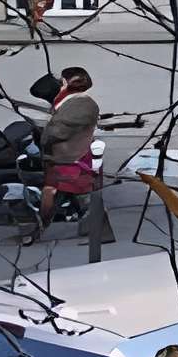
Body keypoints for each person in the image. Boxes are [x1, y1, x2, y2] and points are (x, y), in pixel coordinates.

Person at [39, 67, 112, 256]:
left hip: (75, 157)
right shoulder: (68, 102)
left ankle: (102, 233)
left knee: (85, 197)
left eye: (62, 80)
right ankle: (40, 228)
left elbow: (60, 130)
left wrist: (45, 134)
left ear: (69, 83)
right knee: (58, 194)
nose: (59, 84)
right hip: (63, 157)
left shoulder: (83, 104)